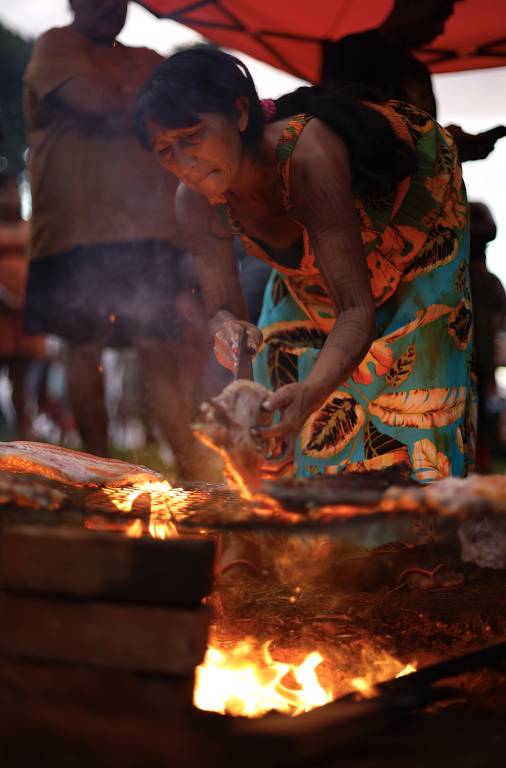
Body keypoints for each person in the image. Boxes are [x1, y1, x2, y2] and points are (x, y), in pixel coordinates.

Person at [136, 45, 475, 482]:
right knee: (277, 370)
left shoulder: (306, 158)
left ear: (240, 114)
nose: (184, 164)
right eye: (165, 150)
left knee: (416, 400)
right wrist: (226, 328)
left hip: (414, 230)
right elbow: (224, 307)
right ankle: (301, 539)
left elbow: (356, 310)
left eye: (192, 137)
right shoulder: (194, 202)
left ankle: (410, 541)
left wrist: (312, 393)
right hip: (318, 262)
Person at [23, 0, 207, 477]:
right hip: (72, 230)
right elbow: (95, 101)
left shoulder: (147, 56)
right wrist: (140, 96)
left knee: (161, 348)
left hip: (148, 231)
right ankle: (96, 472)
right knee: (83, 348)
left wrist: (134, 92)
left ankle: (190, 471)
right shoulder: (56, 46)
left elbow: (179, 108)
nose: (109, 4)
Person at [321, 0, 506, 162]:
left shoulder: (419, 71)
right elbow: (345, 134)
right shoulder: (351, 52)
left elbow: (418, 150)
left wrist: (449, 149)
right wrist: (442, 142)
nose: (440, 29)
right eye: (437, 13)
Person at [0, 172, 45, 439]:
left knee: (23, 386)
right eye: (3, 191)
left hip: (26, 316)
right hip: (2, 314)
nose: (10, 197)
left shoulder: (32, 227)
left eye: (13, 190)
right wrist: (4, 295)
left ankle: (25, 445)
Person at [468, 202, 506, 472]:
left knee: (480, 434)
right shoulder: (483, 282)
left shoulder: (489, 284)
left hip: (480, 366)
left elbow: (494, 329)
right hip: (474, 364)